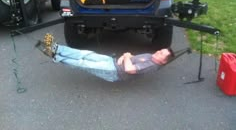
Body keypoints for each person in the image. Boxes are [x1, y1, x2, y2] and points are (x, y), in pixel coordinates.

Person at [35, 33, 174, 82]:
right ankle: (57, 48)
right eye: (160, 50)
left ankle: (54, 56)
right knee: (85, 54)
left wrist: (125, 56)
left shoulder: (152, 65)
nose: (158, 52)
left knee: (82, 63)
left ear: (163, 61)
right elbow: (131, 57)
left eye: (161, 54)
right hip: (113, 62)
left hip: (114, 72)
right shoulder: (151, 56)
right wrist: (125, 56)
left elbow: (130, 69)